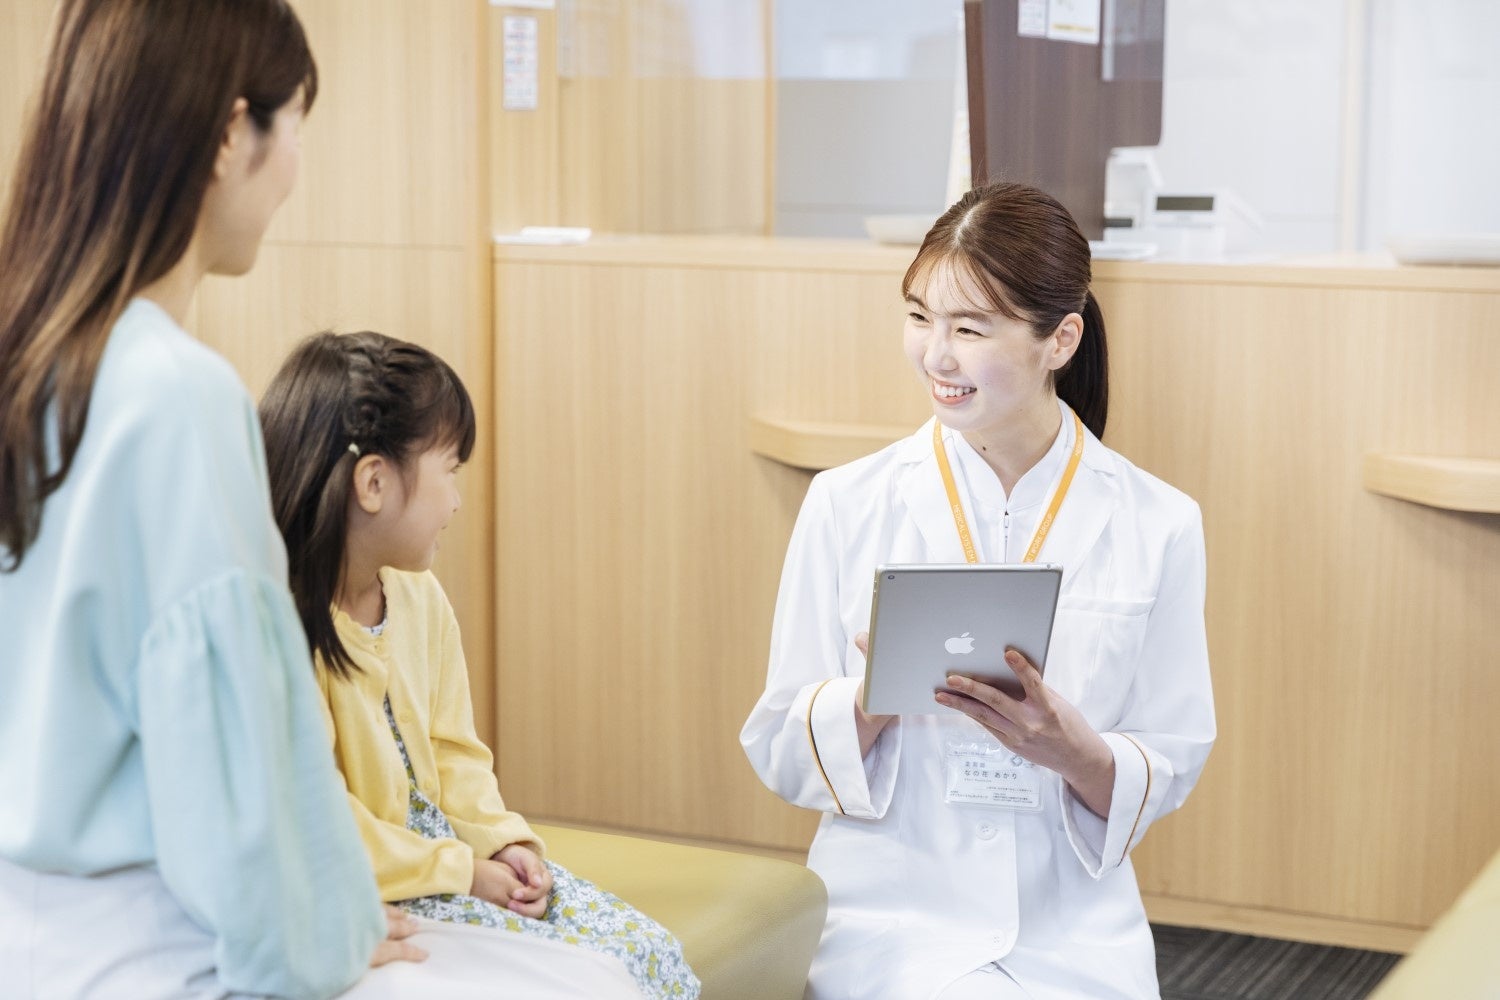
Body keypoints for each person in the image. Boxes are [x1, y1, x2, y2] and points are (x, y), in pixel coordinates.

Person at [0, 1, 397, 995]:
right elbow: (244, 809)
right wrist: (334, 930)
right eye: (293, 124)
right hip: (157, 959)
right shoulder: (177, 398)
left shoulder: (26, 368)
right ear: (229, 133)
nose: (294, 167)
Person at [740, 182, 1215, 1000]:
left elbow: (1171, 755)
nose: (936, 355)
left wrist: (1071, 750)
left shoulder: (1159, 522)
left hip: (1072, 927)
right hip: (890, 918)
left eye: (969, 328)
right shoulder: (846, 503)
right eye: (919, 317)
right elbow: (780, 745)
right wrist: (874, 696)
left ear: (1060, 339)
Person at [258, 330, 701, 1000]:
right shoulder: (281, 625)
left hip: (454, 865)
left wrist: (500, 844)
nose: (457, 502)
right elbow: (315, 818)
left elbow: (454, 752)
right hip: (382, 887)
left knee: (651, 953)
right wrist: (461, 871)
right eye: (451, 472)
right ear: (373, 482)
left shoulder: (418, 597)